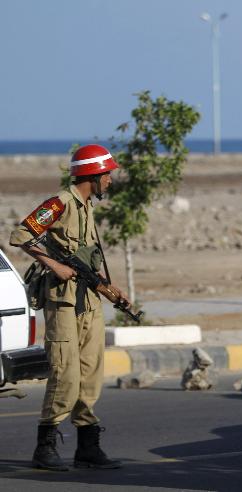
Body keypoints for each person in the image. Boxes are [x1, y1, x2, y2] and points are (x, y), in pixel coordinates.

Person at [10, 144, 129, 471]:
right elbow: (19, 235)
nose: (110, 181)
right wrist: (53, 264)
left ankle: (87, 448)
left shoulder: (88, 207)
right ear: (93, 174)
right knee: (66, 375)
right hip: (63, 303)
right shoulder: (60, 203)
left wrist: (110, 290)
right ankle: (44, 448)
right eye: (107, 175)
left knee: (91, 376)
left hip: (88, 302)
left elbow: (87, 259)